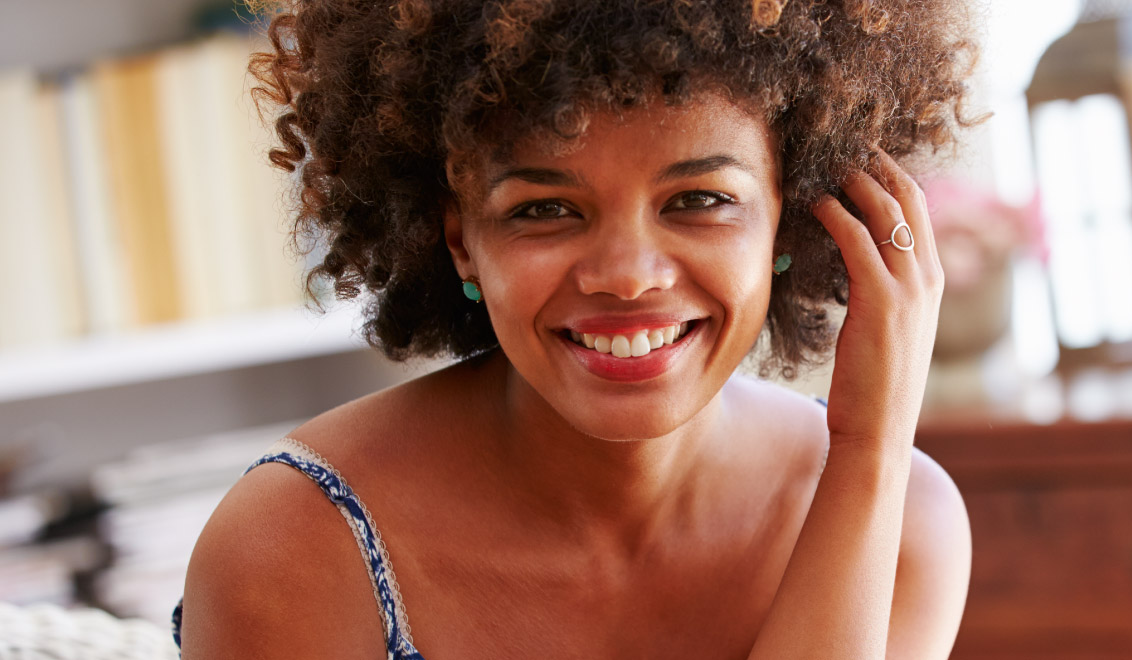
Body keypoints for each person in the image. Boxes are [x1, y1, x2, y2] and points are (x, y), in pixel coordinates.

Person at [173, 0, 979, 657]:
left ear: (792, 219)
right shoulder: (298, 549)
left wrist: (872, 448)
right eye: (545, 209)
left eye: (698, 200)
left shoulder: (901, 524)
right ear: (462, 242)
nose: (627, 275)